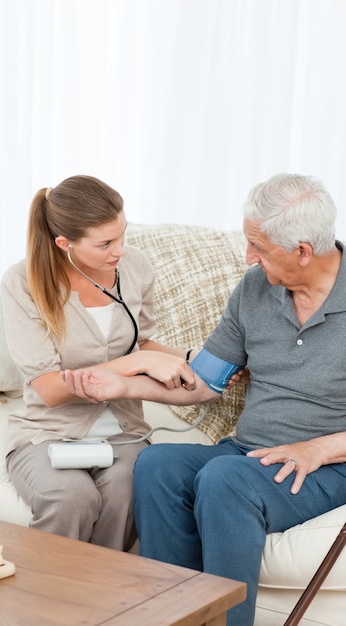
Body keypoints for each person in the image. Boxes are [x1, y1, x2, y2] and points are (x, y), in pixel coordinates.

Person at [62, 173, 346, 625]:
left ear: (303, 252)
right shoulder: (256, 288)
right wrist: (125, 384)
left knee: (225, 479)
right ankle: (172, 618)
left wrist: (320, 448)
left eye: (259, 248)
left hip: (327, 465)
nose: (248, 257)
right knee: (156, 466)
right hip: (250, 454)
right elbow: (206, 382)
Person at [0, 174, 200, 551]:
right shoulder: (23, 283)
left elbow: (142, 341)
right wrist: (134, 363)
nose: (120, 250)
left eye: (123, 235)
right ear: (65, 244)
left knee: (128, 492)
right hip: (49, 430)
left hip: (127, 431)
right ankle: (48, 603)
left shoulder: (135, 267)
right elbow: (49, 388)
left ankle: (104, 601)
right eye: (105, 243)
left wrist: (195, 359)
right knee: (71, 498)